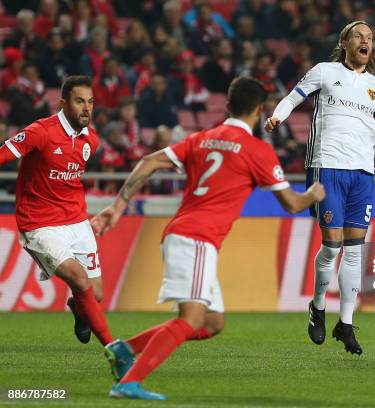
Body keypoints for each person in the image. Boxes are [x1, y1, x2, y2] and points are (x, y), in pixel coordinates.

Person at [91, 77, 325, 400]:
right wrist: (313, 193)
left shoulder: (200, 138)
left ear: (227, 106)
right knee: (191, 319)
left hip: (181, 233)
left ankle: (125, 349)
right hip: (197, 239)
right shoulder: (259, 151)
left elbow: (148, 161)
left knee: (212, 322)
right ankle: (129, 382)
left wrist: (118, 207)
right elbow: (292, 204)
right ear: (260, 110)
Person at [265, 20, 375, 355]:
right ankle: (318, 306)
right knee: (333, 245)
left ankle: (346, 323)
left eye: (370, 37)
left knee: (355, 250)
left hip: (363, 175)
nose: (366, 41)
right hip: (327, 167)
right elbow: (293, 98)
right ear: (344, 42)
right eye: (359, 36)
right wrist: (278, 116)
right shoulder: (324, 72)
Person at [0, 76, 113, 346]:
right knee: (79, 278)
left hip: (76, 221)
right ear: (63, 103)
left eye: (90, 102)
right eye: (79, 101)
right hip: (40, 224)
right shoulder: (41, 131)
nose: (87, 108)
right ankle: (113, 347)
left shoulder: (91, 140)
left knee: (94, 294)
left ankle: (78, 307)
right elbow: (3, 153)